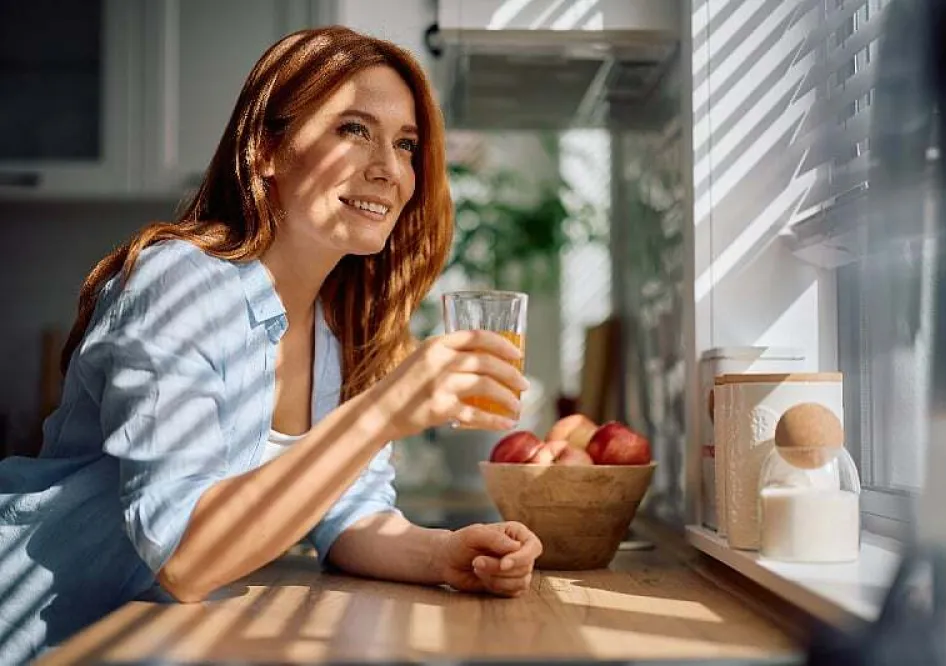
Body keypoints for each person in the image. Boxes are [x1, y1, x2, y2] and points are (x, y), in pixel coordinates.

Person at [0, 25, 542, 662]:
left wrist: (446, 553)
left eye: (406, 144)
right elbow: (185, 557)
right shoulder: (178, 283)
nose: (388, 168)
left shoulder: (342, 329)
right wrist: (385, 409)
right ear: (265, 149)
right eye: (354, 129)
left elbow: (351, 515)